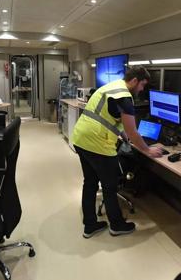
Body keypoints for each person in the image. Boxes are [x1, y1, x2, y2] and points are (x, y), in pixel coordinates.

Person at [71, 66, 163, 238]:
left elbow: (107, 116)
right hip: (97, 143)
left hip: (80, 138)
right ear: (135, 81)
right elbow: (134, 132)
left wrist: (122, 133)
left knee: (90, 182)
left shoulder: (111, 86)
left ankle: (90, 225)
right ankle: (117, 225)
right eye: (142, 85)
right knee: (110, 186)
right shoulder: (125, 98)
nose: (142, 89)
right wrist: (148, 150)